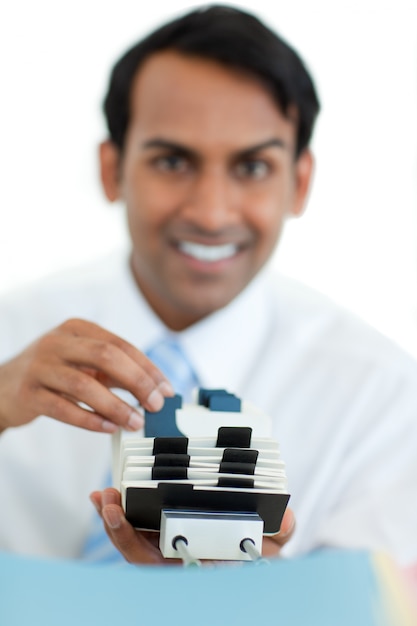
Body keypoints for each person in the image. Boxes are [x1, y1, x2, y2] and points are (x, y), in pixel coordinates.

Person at [0, 5, 416, 568]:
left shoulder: (384, 400)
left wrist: (254, 604)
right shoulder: (10, 341)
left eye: (251, 168)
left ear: (299, 182)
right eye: (172, 161)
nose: (212, 213)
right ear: (111, 169)